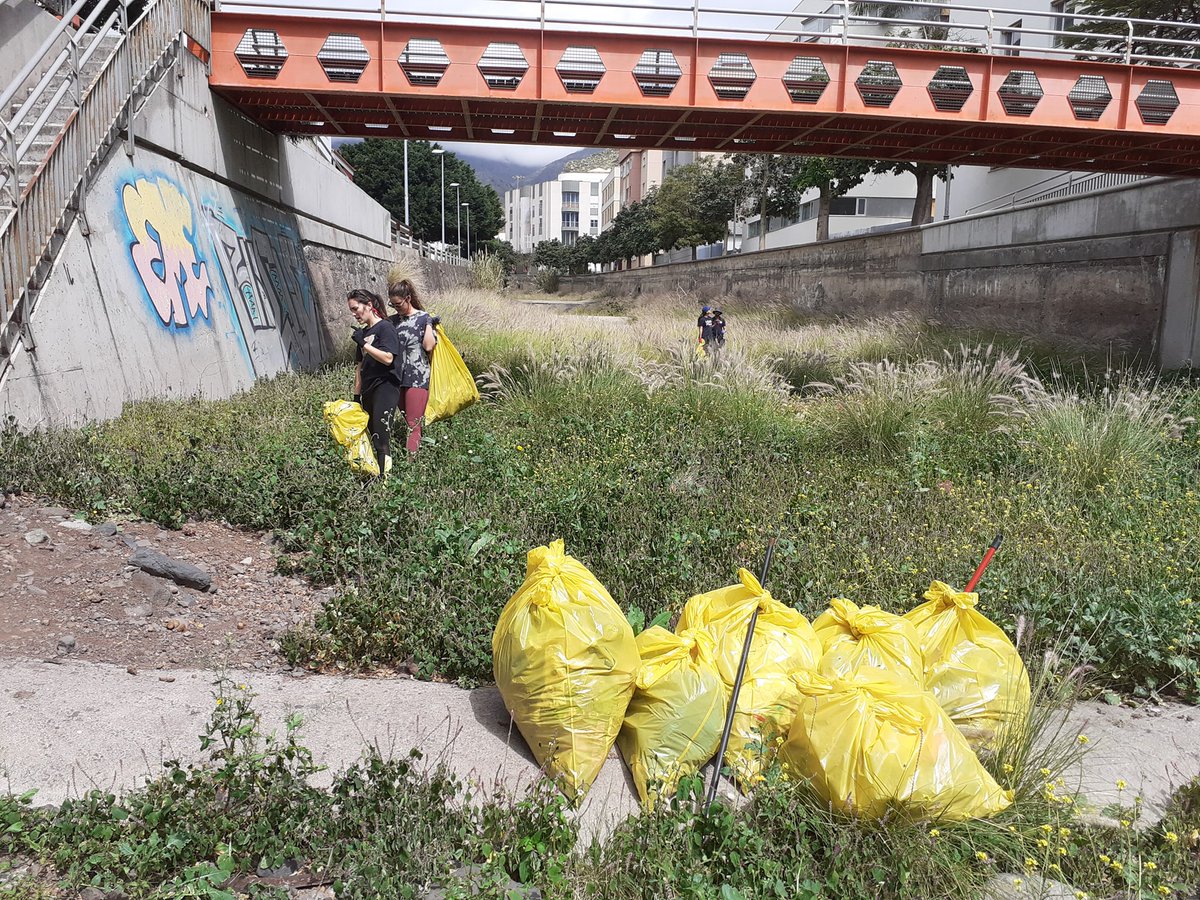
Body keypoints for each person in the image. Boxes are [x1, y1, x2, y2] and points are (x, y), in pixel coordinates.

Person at [348, 289, 402, 476]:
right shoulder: (363, 333)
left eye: (356, 309)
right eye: (351, 311)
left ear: (369, 305)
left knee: (381, 437)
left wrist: (364, 344)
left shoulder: (385, 328)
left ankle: (385, 482)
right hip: (368, 390)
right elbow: (359, 368)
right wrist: (356, 397)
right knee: (371, 436)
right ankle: (373, 477)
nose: (354, 314)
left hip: (385, 387)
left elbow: (388, 358)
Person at [387, 280, 437, 454]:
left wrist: (429, 324)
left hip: (418, 377)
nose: (395, 308)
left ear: (408, 298)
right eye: (392, 304)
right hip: (396, 377)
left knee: (413, 424)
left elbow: (429, 346)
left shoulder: (423, 318)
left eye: (398, 304)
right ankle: (414, 456)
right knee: (408, 418)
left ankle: (410, 465)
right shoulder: (392, 321)